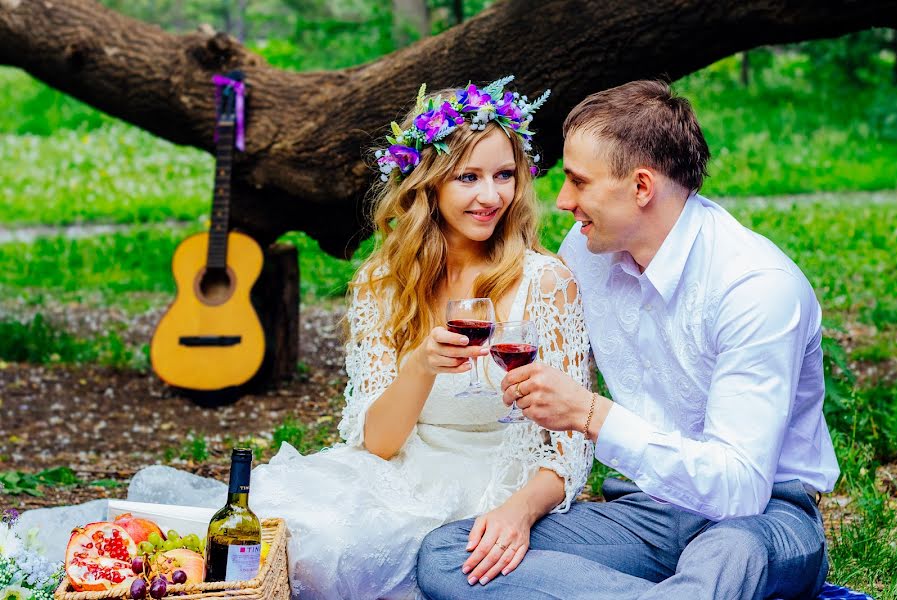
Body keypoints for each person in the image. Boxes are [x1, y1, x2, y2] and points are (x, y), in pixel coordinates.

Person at [18, 77, 593, 600]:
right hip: (398, 471)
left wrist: (518, 511)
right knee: (273, 535)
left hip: (492, 484)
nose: (489, 195)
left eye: (503, 175)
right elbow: (378, 444)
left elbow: (570, 448)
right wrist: (420, 365)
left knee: (340, 559)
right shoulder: (384, 283)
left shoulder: (546, 284)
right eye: (467, 177)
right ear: (428, 184)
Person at [417, 80, 841, 600]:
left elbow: (738, 489)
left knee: (730, 556)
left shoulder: (756, 288)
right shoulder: (586, 251)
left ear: (641, 187)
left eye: (578, 182)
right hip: (648, 514)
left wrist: (591, 414)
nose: (564, 201)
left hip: (763, 517)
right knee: (451, 554)